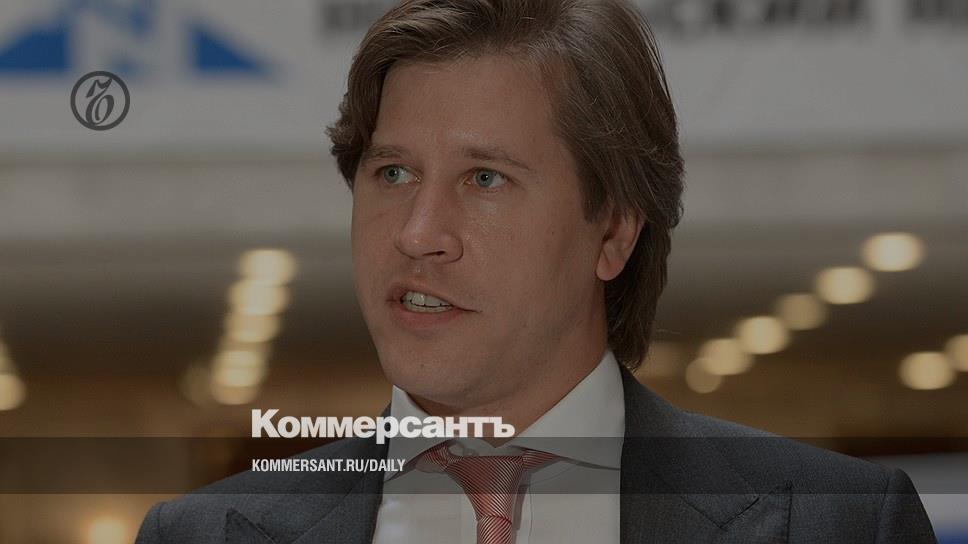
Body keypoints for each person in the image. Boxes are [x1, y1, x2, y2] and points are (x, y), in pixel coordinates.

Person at [136, 0, 937, 542]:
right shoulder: (202, 536)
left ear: (613, 230)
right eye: (392, 173)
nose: (418, 233)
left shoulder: (840, 524)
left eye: (485, 179)